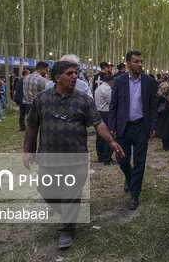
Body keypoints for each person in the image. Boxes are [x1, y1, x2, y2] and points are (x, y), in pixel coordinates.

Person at [23, 60, 124, 249]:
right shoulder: (42, 99)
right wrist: (28, 151)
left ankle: (66, 230)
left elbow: (98, 123)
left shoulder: (83, 100)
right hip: (49, 157)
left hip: (76, 157)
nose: (75, 77)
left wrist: (111, 141)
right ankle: (68, 214)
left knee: (71, 194)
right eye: (69, 74)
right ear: (57, 78)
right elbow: (32, 127)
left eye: (75, 73)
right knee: (46, 190)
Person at [108, 50, 158, 210]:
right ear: (128, 63)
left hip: (141, 127)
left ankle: (134, 195)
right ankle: (129, 177)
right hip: (123, 126)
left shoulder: (149, 81)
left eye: (141, 61)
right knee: (122, 159)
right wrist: (112, 126)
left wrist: (153, 126)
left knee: (140, 162)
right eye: (136, 62)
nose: (140, 65)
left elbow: (153, 106)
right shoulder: (120, 80)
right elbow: (113, 104)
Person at [94, 73, 115, 165]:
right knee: (108, 135)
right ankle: (107, 158)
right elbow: (111, 101)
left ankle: (100, 156)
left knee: (100, 136)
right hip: (106, 113)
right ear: (110, 81)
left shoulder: (98, 88)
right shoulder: (107, 89)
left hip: (99, 112)